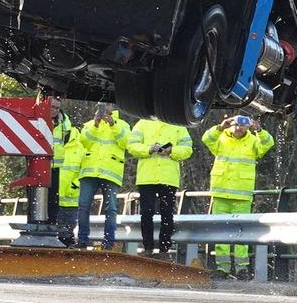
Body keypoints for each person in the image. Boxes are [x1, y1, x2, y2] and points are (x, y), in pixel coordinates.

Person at [202, 114, 275, 274]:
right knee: (222, 233)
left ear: (248, 127)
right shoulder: (221, 138)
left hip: (242, 195)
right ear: (230, 124)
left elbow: (268, 142)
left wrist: (259, 130)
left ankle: (242, 268)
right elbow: (206, 138)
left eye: (242, 125)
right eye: (235, 125)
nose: (238, 128)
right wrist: (220, 127)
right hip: (221, 193)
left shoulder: (253, 141)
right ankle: (223, 268)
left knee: (241, 233)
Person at [127, 115, 193, 255]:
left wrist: (171, 151)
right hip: (147, 176)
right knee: (146, 213)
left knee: (167, 213)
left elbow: (187, 149)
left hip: (168, 177)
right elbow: (131, 146)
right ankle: (148, 248)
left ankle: (164, 248)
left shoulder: (178, 124)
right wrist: (149, 149)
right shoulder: (142, 123)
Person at [75, 104, 133, 250]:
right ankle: (82, 240)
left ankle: (108, 242)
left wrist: (113, 125)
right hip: (89, 171)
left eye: (107, 104)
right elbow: (83, 142)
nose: (105, 107)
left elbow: (126, 143)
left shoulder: (123, 125)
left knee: (111, 208)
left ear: (113, 107)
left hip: (110, 172)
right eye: (102, 105)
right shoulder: (89, 124)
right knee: (83, 206)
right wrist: (95, 124)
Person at [55, 118, 86, 242]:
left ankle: (67, 257)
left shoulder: (80, 148)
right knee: (52, 235)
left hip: (70, 200)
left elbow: (84, 171)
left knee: (67, 235)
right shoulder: (54, 144)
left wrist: (74, 186)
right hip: (53, 199)